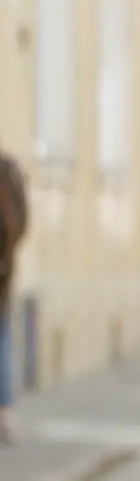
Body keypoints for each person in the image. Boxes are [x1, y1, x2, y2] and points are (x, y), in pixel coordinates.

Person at [0, 149, 28, 446]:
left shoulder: (7, 171)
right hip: (4, 272)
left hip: (2, 274)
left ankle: (5, 413)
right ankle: (5, 414)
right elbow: (20, 224)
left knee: (3, 338)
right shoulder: (9, 171)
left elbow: (17, 224)